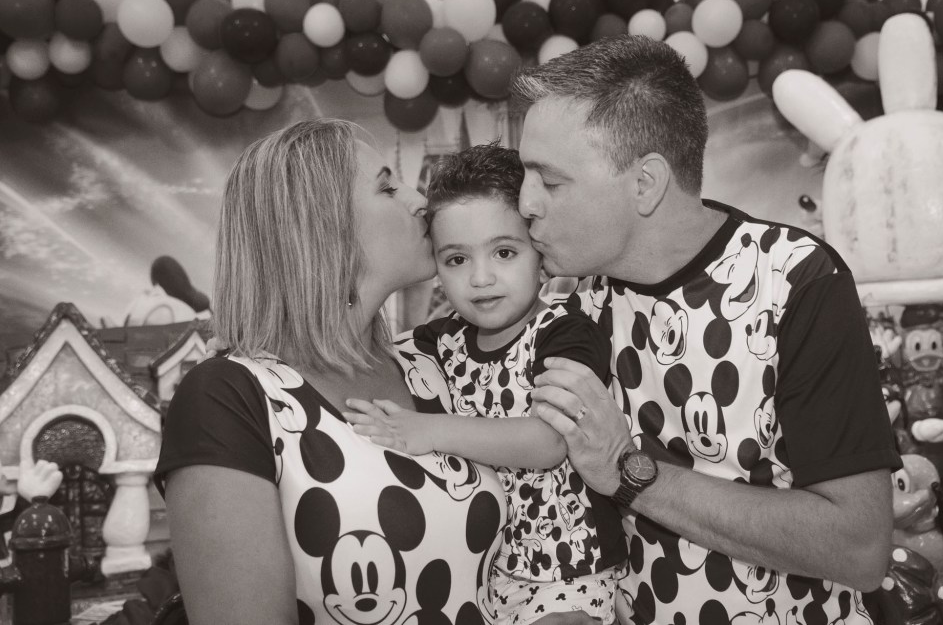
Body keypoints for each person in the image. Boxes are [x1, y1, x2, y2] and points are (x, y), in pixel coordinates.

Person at [509, 35, 902, 625]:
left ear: (645, 183)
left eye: (550, 181)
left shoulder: (793, 279)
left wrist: (628, 472)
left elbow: (859, 546)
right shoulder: (574, 308)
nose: (526, 203)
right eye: (525, 176)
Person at [154, 119, 510, 625]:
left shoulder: (440, 359)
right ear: (319, 226)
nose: (421, 201)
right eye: (387, 187)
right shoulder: (228, 397)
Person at [343, 144, 626, 625]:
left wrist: (428, 430)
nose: (480, 277)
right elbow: (355, 345)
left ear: (541, 256)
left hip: (570, 567)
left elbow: (549, 441)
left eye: (504, 252)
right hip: (488, 572)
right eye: (456, 259)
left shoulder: (565, 332)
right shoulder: (441, 340)